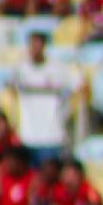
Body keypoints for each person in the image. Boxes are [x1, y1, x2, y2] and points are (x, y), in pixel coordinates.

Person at [12, 34, 78, 166]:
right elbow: (12, 92)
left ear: (44, 47)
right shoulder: (20, 70)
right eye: (32, 45)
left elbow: (79, 85)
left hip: (52, 137)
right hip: (28, 137)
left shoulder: (58, 69)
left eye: (38, 45)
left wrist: (67, 110)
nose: (35, 49)